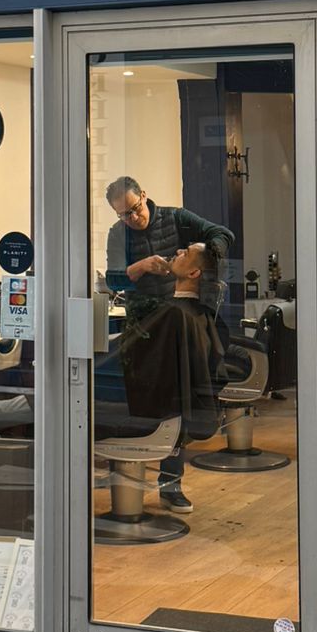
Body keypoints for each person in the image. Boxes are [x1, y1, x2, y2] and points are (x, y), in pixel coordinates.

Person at [104, 177, 233, 510]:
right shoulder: (118, 235)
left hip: (177, 321)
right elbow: (114, 279)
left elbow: (221, 234)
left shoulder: (176, 218)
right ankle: (125, 478)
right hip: (146, 325)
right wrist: (140, 267)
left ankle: (170, 484)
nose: (133, 218)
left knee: (176, 395)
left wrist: (207, 259)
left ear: (144, 196)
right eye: (124, 215)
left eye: (135, 209)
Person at [118, 242, 228, 511]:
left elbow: (135, 359)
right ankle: (171, 486)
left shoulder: (176, 314)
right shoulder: (192, 312)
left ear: (193, 273)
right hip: (174, 410)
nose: (178, 252)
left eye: (186, 253)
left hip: (146, 407)